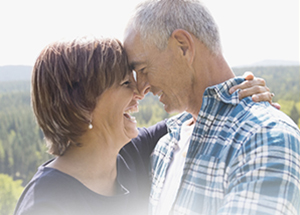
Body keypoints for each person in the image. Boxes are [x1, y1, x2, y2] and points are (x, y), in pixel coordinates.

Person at [13, 36, 274, 215]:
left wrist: (241, 92)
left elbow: (198, 113)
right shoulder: (45, 203)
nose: (139, 92)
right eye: (126, 84)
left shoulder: (132, 154)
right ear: (82, 102)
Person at [123, 0, 300, 214]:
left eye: (142, 69)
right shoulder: (165, 146)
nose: (141, 89)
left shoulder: (263, 138)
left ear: (183, 46)